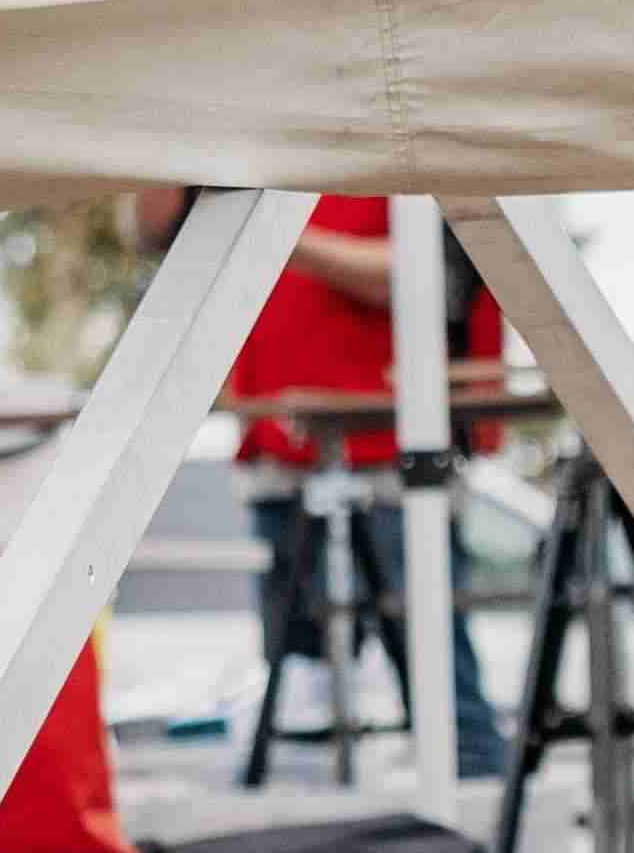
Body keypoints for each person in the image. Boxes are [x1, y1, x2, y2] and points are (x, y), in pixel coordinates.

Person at [177, 191, 507, 779]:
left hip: (394, 457)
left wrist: (273, 235)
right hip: (284, 454)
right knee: (301, 687)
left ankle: (482, 822)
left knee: (440, 682)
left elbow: (427, 273)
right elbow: (156, 227)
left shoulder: (406, 163)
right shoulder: (261, 161)